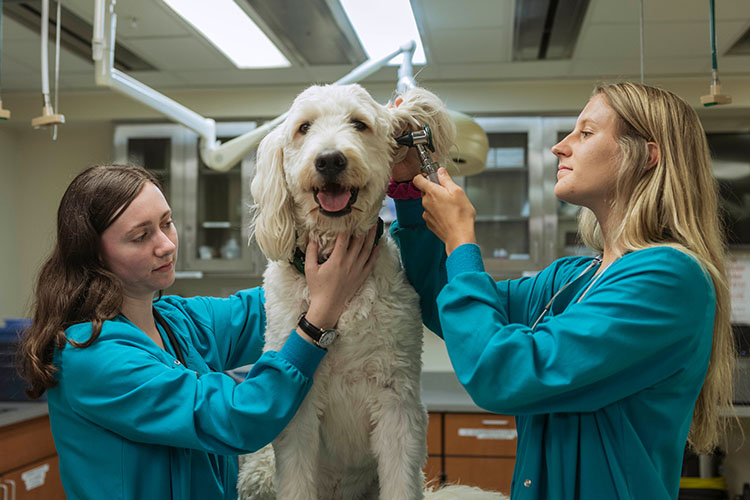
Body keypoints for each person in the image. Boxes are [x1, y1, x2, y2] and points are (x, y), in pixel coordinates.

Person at [387, 82, 735, 499]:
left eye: (585, 133)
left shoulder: (670, 279)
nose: (560, 147)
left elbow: (506, 373)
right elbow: (446, 301)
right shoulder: (574, 278)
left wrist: (462, 243)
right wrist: (411, 186)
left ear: (646, 155)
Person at [18, 164, 380, 500]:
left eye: (167, 223)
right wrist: (318, 322)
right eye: (140, 236)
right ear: (95, 254)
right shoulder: (90, 356)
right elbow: (237, 417)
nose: (167, 244)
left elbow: (268, 306)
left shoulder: (178, 322)